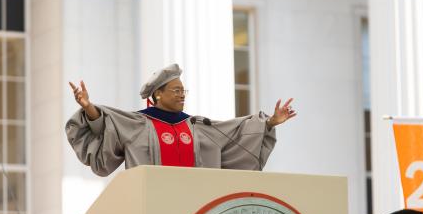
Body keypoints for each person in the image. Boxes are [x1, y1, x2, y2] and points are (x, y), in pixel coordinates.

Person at [66, 63, 296, 176]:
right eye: (175, 90)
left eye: (183, 91)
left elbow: (235, 131)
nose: (181, 95)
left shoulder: (197, 126)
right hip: (149, 205)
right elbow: (108, 123)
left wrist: (269, 123)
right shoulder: (139, 123)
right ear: (157, 94)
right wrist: (89, 108)